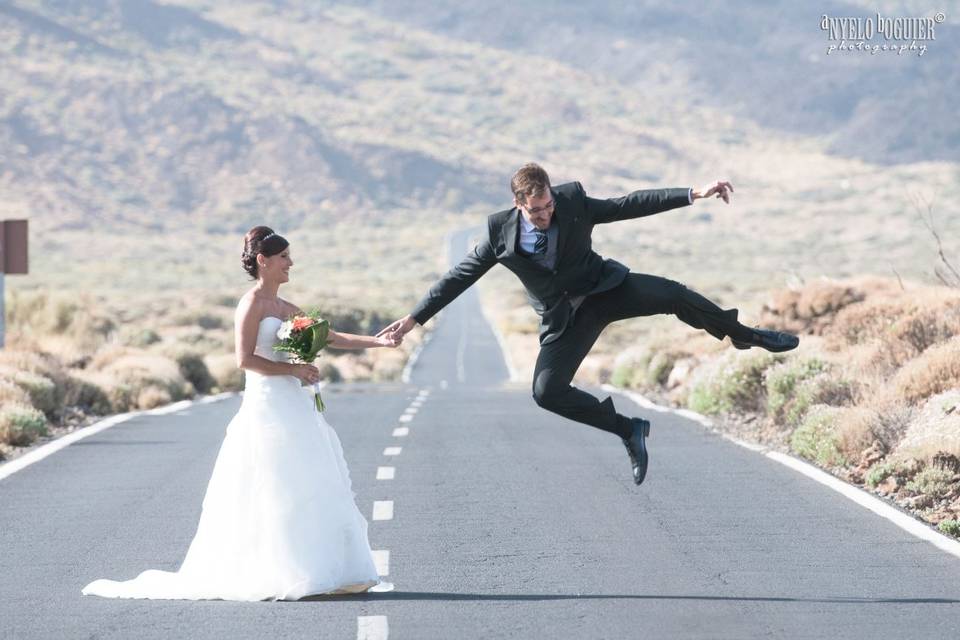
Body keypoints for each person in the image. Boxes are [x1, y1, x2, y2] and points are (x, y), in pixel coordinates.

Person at [378, 163, 799, 486]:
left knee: (674, 293)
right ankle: (627, 429)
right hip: (567, 318)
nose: (546, 215)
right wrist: (413, 319)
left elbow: (627, 204)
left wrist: (692, 193)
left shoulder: (573, 201)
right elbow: (459, 277)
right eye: (537, 211)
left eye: (548, 206)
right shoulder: (498, 235)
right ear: (519, 204)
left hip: (606, 289)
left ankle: (749, 336)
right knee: (546, 392)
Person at [81, 226, 400, 601]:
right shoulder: (251, 305)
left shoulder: (285, 308)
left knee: (310, 479)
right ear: (263, 261)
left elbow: (331, 336)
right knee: (275, 484)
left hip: (296, 407)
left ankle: (323, 568)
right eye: (284, 258)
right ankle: (283, 571)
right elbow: (244, 359)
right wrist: (293, 370)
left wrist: (378, 341)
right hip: (268, 407)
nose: (290, 264)